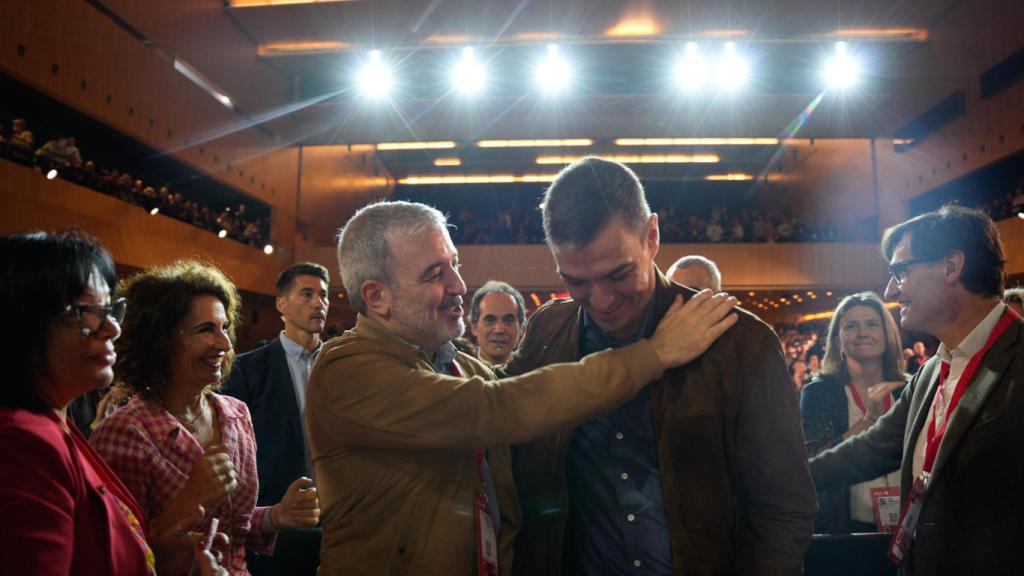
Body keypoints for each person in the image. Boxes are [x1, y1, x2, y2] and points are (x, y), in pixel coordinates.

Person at [306, 200, 739, 575]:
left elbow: (530, 393)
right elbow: (501, 408)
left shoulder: (460, 366)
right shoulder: (347, 370)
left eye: (455, 264)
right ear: (377, 296)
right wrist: (654, 354)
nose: (458, 285)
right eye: (434, 273)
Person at [505, 157, 816, 576]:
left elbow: (783, 508)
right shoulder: (547, 332)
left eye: (618, 274)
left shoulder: (739, 341)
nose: (601, 300)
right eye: (575, 281)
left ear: (652, 236)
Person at [0, 230, 229, 575]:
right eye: (88, 313)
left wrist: (168, 556)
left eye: (112, 311)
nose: (112, 329)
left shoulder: (58, 423)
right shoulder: (23, 442)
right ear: (25, 321)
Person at [809, 205, 1024, 574]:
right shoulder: (930, 373)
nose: (891, 289)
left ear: (951, 267)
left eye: (900, 271)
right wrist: (781, 480)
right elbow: (873, 448)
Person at [91, 260, 321, 575]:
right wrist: (191, 497)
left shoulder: (236, 414)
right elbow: (117, 555)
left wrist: (277, 516)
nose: (225, 344)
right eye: (206, 330)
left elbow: (234, 527)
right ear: (162, 340)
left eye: (224, 327)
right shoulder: (126, 433)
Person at [223, 262, 331, 576]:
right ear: (281, 304)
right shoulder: (247, 368)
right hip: (274, 519)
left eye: (323, 295)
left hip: (336, 514)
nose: (319, 302)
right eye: (307, 294)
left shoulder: (340, 366)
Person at [800, 292, 907, 534]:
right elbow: (811, 463)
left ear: (887, 335)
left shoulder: (909, 389)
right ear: (838, 340)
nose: (863, 333)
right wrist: (868, 422)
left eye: (872, 324)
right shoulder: (820, 393)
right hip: (845, 529)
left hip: (908, 528)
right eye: (851, 326)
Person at [468, 280, 526, 366]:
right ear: (474, 327)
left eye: (508, 321)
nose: (499, 330)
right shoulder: (458, 371)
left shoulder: (535, 374)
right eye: (490, 321)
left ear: (521, 328)